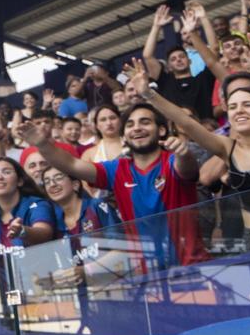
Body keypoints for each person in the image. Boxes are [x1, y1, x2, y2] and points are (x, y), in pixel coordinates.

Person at [23, 100, 204, 268]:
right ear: (124, 134)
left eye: (145, 122)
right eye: (130, 124)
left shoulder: (173, 161)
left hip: (190, 266)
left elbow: (186, 169)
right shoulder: (117, 169)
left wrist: (183, 154)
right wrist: (42, 145)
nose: (137, 128)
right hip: (148, 274)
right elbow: (71, 165)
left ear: (162, 130)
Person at [138, 53, 250, 232]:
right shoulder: (228, 148)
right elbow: (187, 122)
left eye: (247, 104)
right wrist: (149, 94)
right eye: (232, 106)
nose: (239, 110)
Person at [142, 5, 217, 120]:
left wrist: (204, 19)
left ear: (190, 60)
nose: (178, 59)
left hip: (207, 131)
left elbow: (214, 51)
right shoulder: (165, 82)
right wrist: (156, 27)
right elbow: (147, 56)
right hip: (177, 135)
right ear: (169, 66)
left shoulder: (203, 80)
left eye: (182, 56)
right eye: (173, 59)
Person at [0, 159, 56, 256]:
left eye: (6, 172)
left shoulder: (37, 205)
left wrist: (23, 231)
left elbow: (45, 234)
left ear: (19, 181)